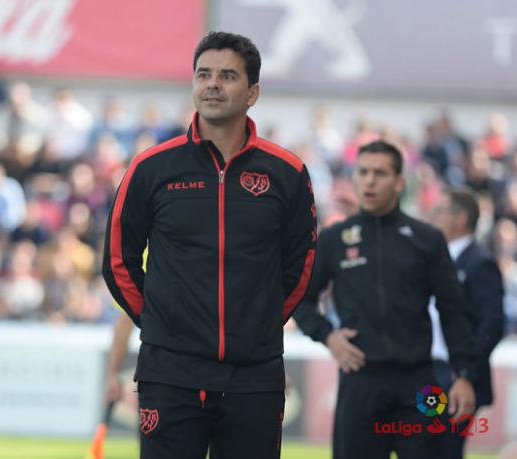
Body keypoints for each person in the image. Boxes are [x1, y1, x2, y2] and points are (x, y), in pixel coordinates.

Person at [102, 31, 317, 459]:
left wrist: (259, 325)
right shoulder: (151, 167)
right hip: (171, 374)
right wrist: (161, 324)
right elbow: (117, 261)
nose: (213, 84)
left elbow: (302, 265)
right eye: (203, 74)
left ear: (253, 92)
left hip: (254, 376)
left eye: (227, 75)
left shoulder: (287, 172)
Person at [293, 140, 476, 459]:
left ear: (400, 182)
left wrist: (464, 375)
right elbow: (301, 299)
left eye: (380, 173)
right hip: (361, 381)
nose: (369, 180)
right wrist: (328, 337)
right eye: (362, 172)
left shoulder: (426, 239)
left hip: (420, 384)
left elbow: (454, 312)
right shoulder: (335, 239)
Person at [429, 187, 505, 459]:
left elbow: (491, 325)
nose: (432, 216)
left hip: (453, 375)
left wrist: (464, 374)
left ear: (460, 218)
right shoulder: (435, 257)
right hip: (430, 371)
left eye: (439, 211)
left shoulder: (479, 263)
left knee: (445, 450)